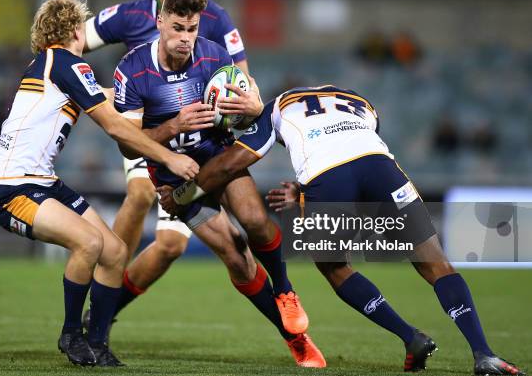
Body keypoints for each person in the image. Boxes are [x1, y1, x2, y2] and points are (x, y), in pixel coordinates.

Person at [158, 84, 525, 376]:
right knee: (435, 262)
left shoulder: (273, 110)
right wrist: (303, 193)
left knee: (334, 266)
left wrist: (180, 195)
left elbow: (228, 165)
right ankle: (484, 354)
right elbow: (351, 147)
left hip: (327, 175)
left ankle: (409, 337)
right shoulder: (357, 100)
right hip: (381, 165)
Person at [84, 0, 308, 345]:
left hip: (210, 152)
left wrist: (249, 108)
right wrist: (83, 90)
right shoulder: (130, 40)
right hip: (156, 150)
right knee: (142, 197)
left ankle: (287, 299)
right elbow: (124, 134)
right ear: (157, 9)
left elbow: (242, 86)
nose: (185, 34)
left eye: (192, 24)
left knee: (219, 233)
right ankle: (102, 304)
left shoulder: (216, 30)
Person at [0, 0, 199, 367]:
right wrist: (168, 154)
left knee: (115, 251)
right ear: (73, 28)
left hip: (42, 183)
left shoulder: (52, 63)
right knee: (88, 243)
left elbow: (114, 99)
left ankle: (98, 345)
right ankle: (72, 335)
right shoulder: (67, 61)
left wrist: (160, 99)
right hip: (13, 188)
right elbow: (114, 123)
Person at [84, 0, 249, 276]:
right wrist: (97, 92)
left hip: (193, 138)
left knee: (172, 245)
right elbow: (73, 42)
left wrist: (231, 109)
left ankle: (108, 304)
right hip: (143, 127)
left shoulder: (214, 17)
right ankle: (107, 281)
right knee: (142, 191)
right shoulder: (128, 14)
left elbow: (241, 79)